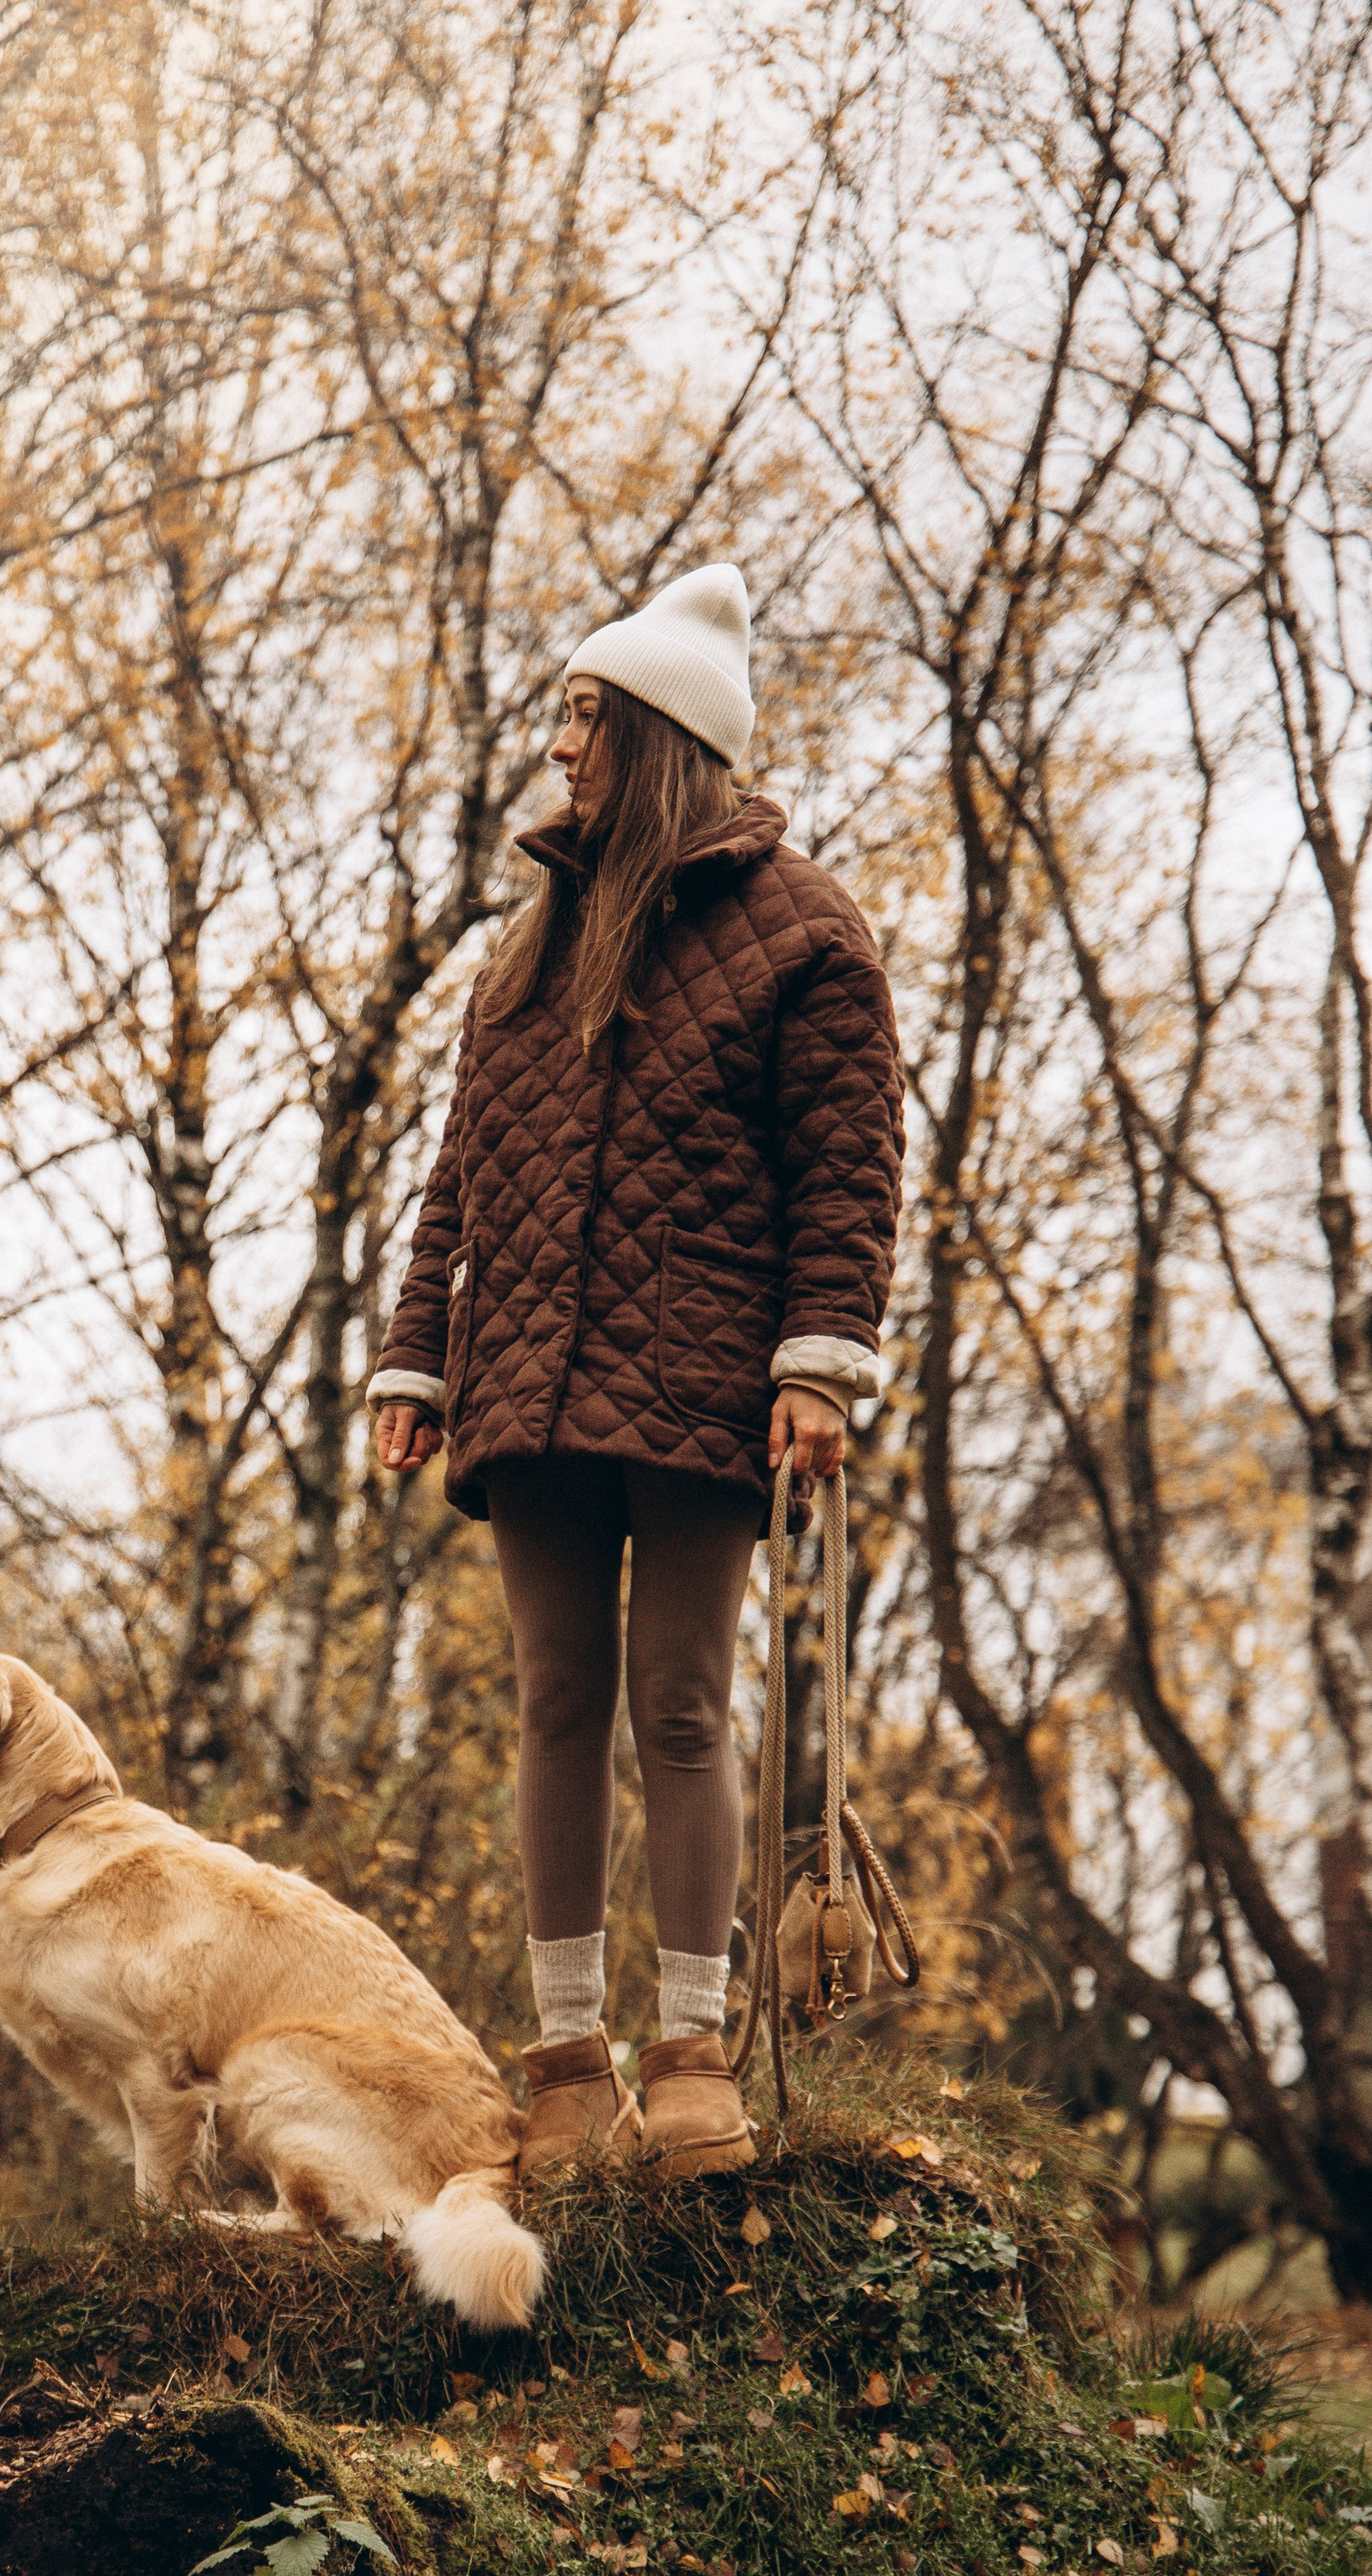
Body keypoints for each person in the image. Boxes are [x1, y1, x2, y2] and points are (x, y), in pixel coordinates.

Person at [366, 564, 903, 2180]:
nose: (556, 750)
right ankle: (562, 2062)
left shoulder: (803, 934)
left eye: (582, 720)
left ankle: (690, 2056)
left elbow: (846, 1172)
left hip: (698, 1381)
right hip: (523, 1377)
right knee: (549, 1706)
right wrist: (414, 1359)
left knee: (678, 1702)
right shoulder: (525, 948)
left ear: (660, 737)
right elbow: (456, 1178)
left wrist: (820, 1363)